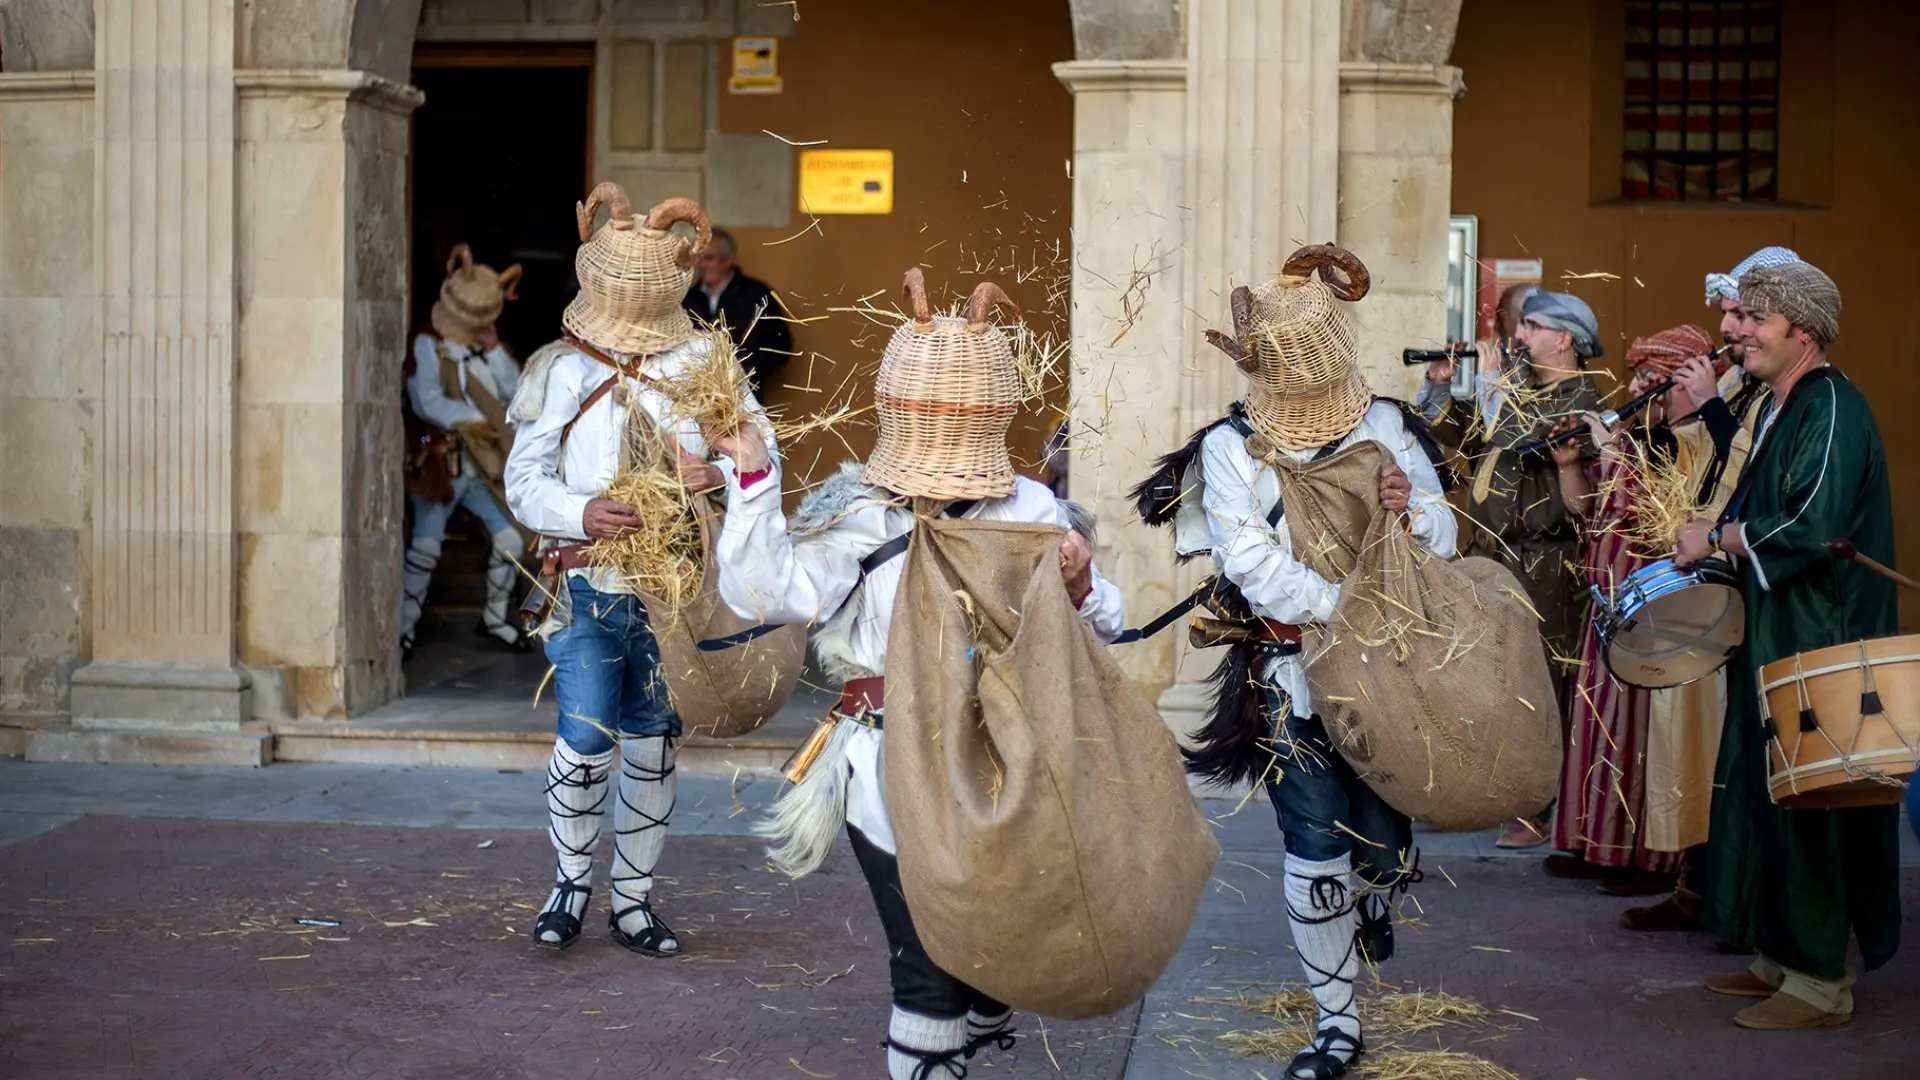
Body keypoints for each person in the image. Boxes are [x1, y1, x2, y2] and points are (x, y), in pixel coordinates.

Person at [706, 271, 1124, 1080]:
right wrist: (752, 476)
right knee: (928, 970)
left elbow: (1103, 621)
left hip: (1006, 763)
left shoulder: (1031, 508)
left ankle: (988, 987)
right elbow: (767, 594)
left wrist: (1079, 585)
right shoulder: (859, 506)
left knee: (986, 951)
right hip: (887, 764)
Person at [1143, 246, 1456, 1079]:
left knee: (1380, 849)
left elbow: (1445, 537)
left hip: (1392, 676)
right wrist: (1339, 612)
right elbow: (1250, 563)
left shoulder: (1387, 425)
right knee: (1314, 844)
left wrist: (1412, 511)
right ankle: (1336, 1025)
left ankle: (1374, 898)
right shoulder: (1228, 448)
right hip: (1289, 673)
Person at [504, 185, 771, 958]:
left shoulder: (704, 358)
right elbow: (524, 480)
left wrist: (717, 475)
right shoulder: (557, 367)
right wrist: (579, 513)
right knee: (585, 736)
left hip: (679, 591)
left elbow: (763, 449)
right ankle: (568, 886)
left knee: (653, 737)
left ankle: (633, 901)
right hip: (586, 580)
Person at [1674, 259, 1901, 1030]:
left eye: (1754, 320)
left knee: (1813, 805)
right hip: (1780, 628)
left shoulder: (1832, 405)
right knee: (1765, 791)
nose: (1736, 332)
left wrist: (1719, 535)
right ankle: (1778, 953)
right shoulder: (1783, 402)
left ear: (1800, 330)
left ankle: (1818, 982)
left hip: (1821, 637)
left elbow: (1811, 528)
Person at [1620, 250, 1785, 934]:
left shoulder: (1777, 396)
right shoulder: (1745, 392)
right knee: (1698, 742)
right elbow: (1696, 470)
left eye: (1743, 315)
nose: (1730, 328)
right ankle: (1700, 882)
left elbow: (1751, 475)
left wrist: (1710, 402)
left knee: (1731, 747)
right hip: (1709, 585)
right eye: (1729, 314)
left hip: (1745, 591)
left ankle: (1731, 894)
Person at [1419, 290, 1607, 849]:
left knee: (1541, 681)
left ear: (1564, 339)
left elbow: (1524, 442)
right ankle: (1491, 794)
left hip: (1546, 561)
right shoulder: (1518, 392)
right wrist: (1440, 384)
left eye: (1530, 326)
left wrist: (1496, 386)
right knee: (1488, 678)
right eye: (1520, 326)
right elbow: (1459, 437)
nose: (1517, 336)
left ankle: (1538, 806)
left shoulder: (1580, 398)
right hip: (1495, 555)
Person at [1546, 326, 1719, 896]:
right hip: (1608, 613)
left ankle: (1644, 860)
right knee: (1598, 729)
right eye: (1638, 376)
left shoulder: (1691, 445)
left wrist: (1617, 450)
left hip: (1656, 618)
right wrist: (1572, 464)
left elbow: (1662, 526)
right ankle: (1593, 845)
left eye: (1655, 379)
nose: (1641, 388)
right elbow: (1588, 514)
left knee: (1642, 735)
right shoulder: (1632, 442)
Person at [401, 244, 530, 657]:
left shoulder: (486, 350)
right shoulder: (426, 344)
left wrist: (493, 351)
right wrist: (474, 421)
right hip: (446, 460)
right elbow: (427, 401)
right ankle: (404, 626)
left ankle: (493, 618)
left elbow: (515, 394)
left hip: (486, 464)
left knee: (511, 538)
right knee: (427, 544)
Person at [682, 226, 794, 391]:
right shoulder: (688, 298)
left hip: (745, 393)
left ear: (728, 259)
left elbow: (780, 346)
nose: (701, 264)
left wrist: (744, 368)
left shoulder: (756, 294)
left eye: (709, 258)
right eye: (698, 258)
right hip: (698, 395)